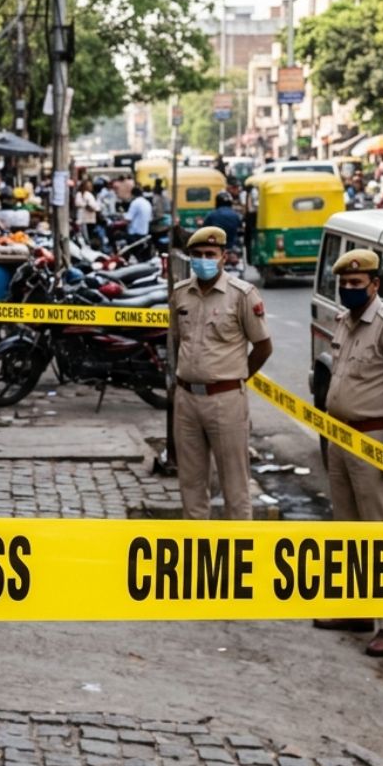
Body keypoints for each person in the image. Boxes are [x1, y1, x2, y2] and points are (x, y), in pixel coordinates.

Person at [310, 250, 383, 656]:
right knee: (348, 530)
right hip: (340, 438)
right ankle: (356, 611)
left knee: (381, 533)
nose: (350, 288)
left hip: (373, 439)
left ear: (375, 285)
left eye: (358, 283)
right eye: (346, 283)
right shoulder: (345, 321)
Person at [168, 227, 272, 520]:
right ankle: (197, 552)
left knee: (235, 487)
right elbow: (178, 340)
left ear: (223, 257)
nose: (204, 260)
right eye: (198, 255)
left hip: (226, 400)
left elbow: (263, 346)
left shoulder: (242, 295)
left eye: (210, 255)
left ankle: (238, 557)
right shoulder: (180, 294)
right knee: (190, 485)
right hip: (187, 399)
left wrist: (237, 377)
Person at [75, 179, 104, 248]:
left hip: (90, 219)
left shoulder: (88, 195)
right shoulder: (82, 194)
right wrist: (88, 206)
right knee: (87, 237)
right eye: (88, 186)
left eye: (91, 186)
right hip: (85, 220)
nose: (90, 187)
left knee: (89, 235)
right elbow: (93, 207)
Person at [125, 186, 153, 256]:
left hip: (134, 233)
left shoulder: (135, 203)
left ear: (133, 194)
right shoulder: (147, 203)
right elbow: (150, 218)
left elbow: (128, 219)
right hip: (144, 232)